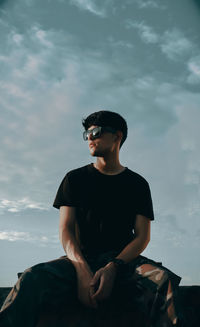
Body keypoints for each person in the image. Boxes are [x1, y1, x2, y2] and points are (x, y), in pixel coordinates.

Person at [0, 110, 181, 327]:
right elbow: (65, 229)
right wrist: (82, 269)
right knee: (30, 278)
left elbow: (142, 237)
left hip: (124, 263)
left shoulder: (137, 184)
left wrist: (113, 267)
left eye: (96, 132)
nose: (90, 138)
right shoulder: (74, 179)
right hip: (79, 259)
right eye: (86, 134)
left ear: (117, 136)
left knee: (164, 281)